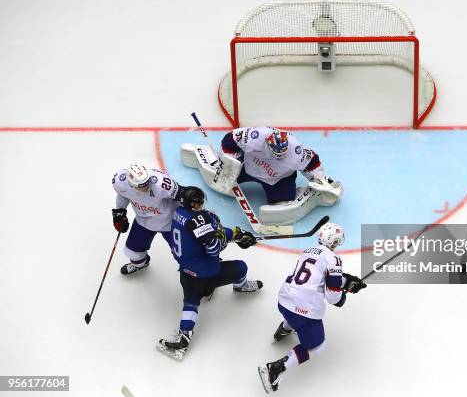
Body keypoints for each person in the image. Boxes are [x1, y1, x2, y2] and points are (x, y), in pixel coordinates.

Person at [257, 223, 367, 393]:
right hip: (303, 311)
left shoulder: (309, 251)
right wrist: (343, 294)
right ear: (332, 241)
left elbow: (316, 277)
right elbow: (332, 296)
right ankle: (277, 368)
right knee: (317, 346)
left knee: (296, 310)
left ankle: (285, 329)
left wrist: (347, 281)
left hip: (284, 300)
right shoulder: (334, 259)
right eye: (337, 241)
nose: (338, 245)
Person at [157, 186, 261, 360]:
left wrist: (235, 234)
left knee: (191, 302)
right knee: (241, 267)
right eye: (199, 202)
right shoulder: (198, 219)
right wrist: (229, 239)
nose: (201, 204)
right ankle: (240, 286)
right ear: (195, 204)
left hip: (185, 272)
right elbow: (213, 248)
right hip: (207, 272)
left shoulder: (179, 213)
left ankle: (183, 339)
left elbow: (208, 229)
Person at [220, 126, 341, 205]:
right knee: (224, 180)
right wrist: (230, 162)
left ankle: (299, 194)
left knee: (282, 202)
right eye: (275, 153)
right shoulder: (255, 136)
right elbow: (229, 140)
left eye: (281, 153)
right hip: (248, 167)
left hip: (277, 179)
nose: (278, 156)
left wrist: (319, 178)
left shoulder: (296, 150)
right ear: (267, 143)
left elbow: (312, 162)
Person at [111, 163, 184, 275]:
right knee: (133, 253)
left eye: (146, 182)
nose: (145, 186)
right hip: (143, 221)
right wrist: (119, 213)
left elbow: (181, 193)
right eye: (141, 185)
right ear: (131, 184)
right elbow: (123, 195)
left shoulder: (161, 182)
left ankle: (196, 276)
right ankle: (140, 264)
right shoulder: (120, 182)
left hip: (170, 222)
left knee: (185, 255)